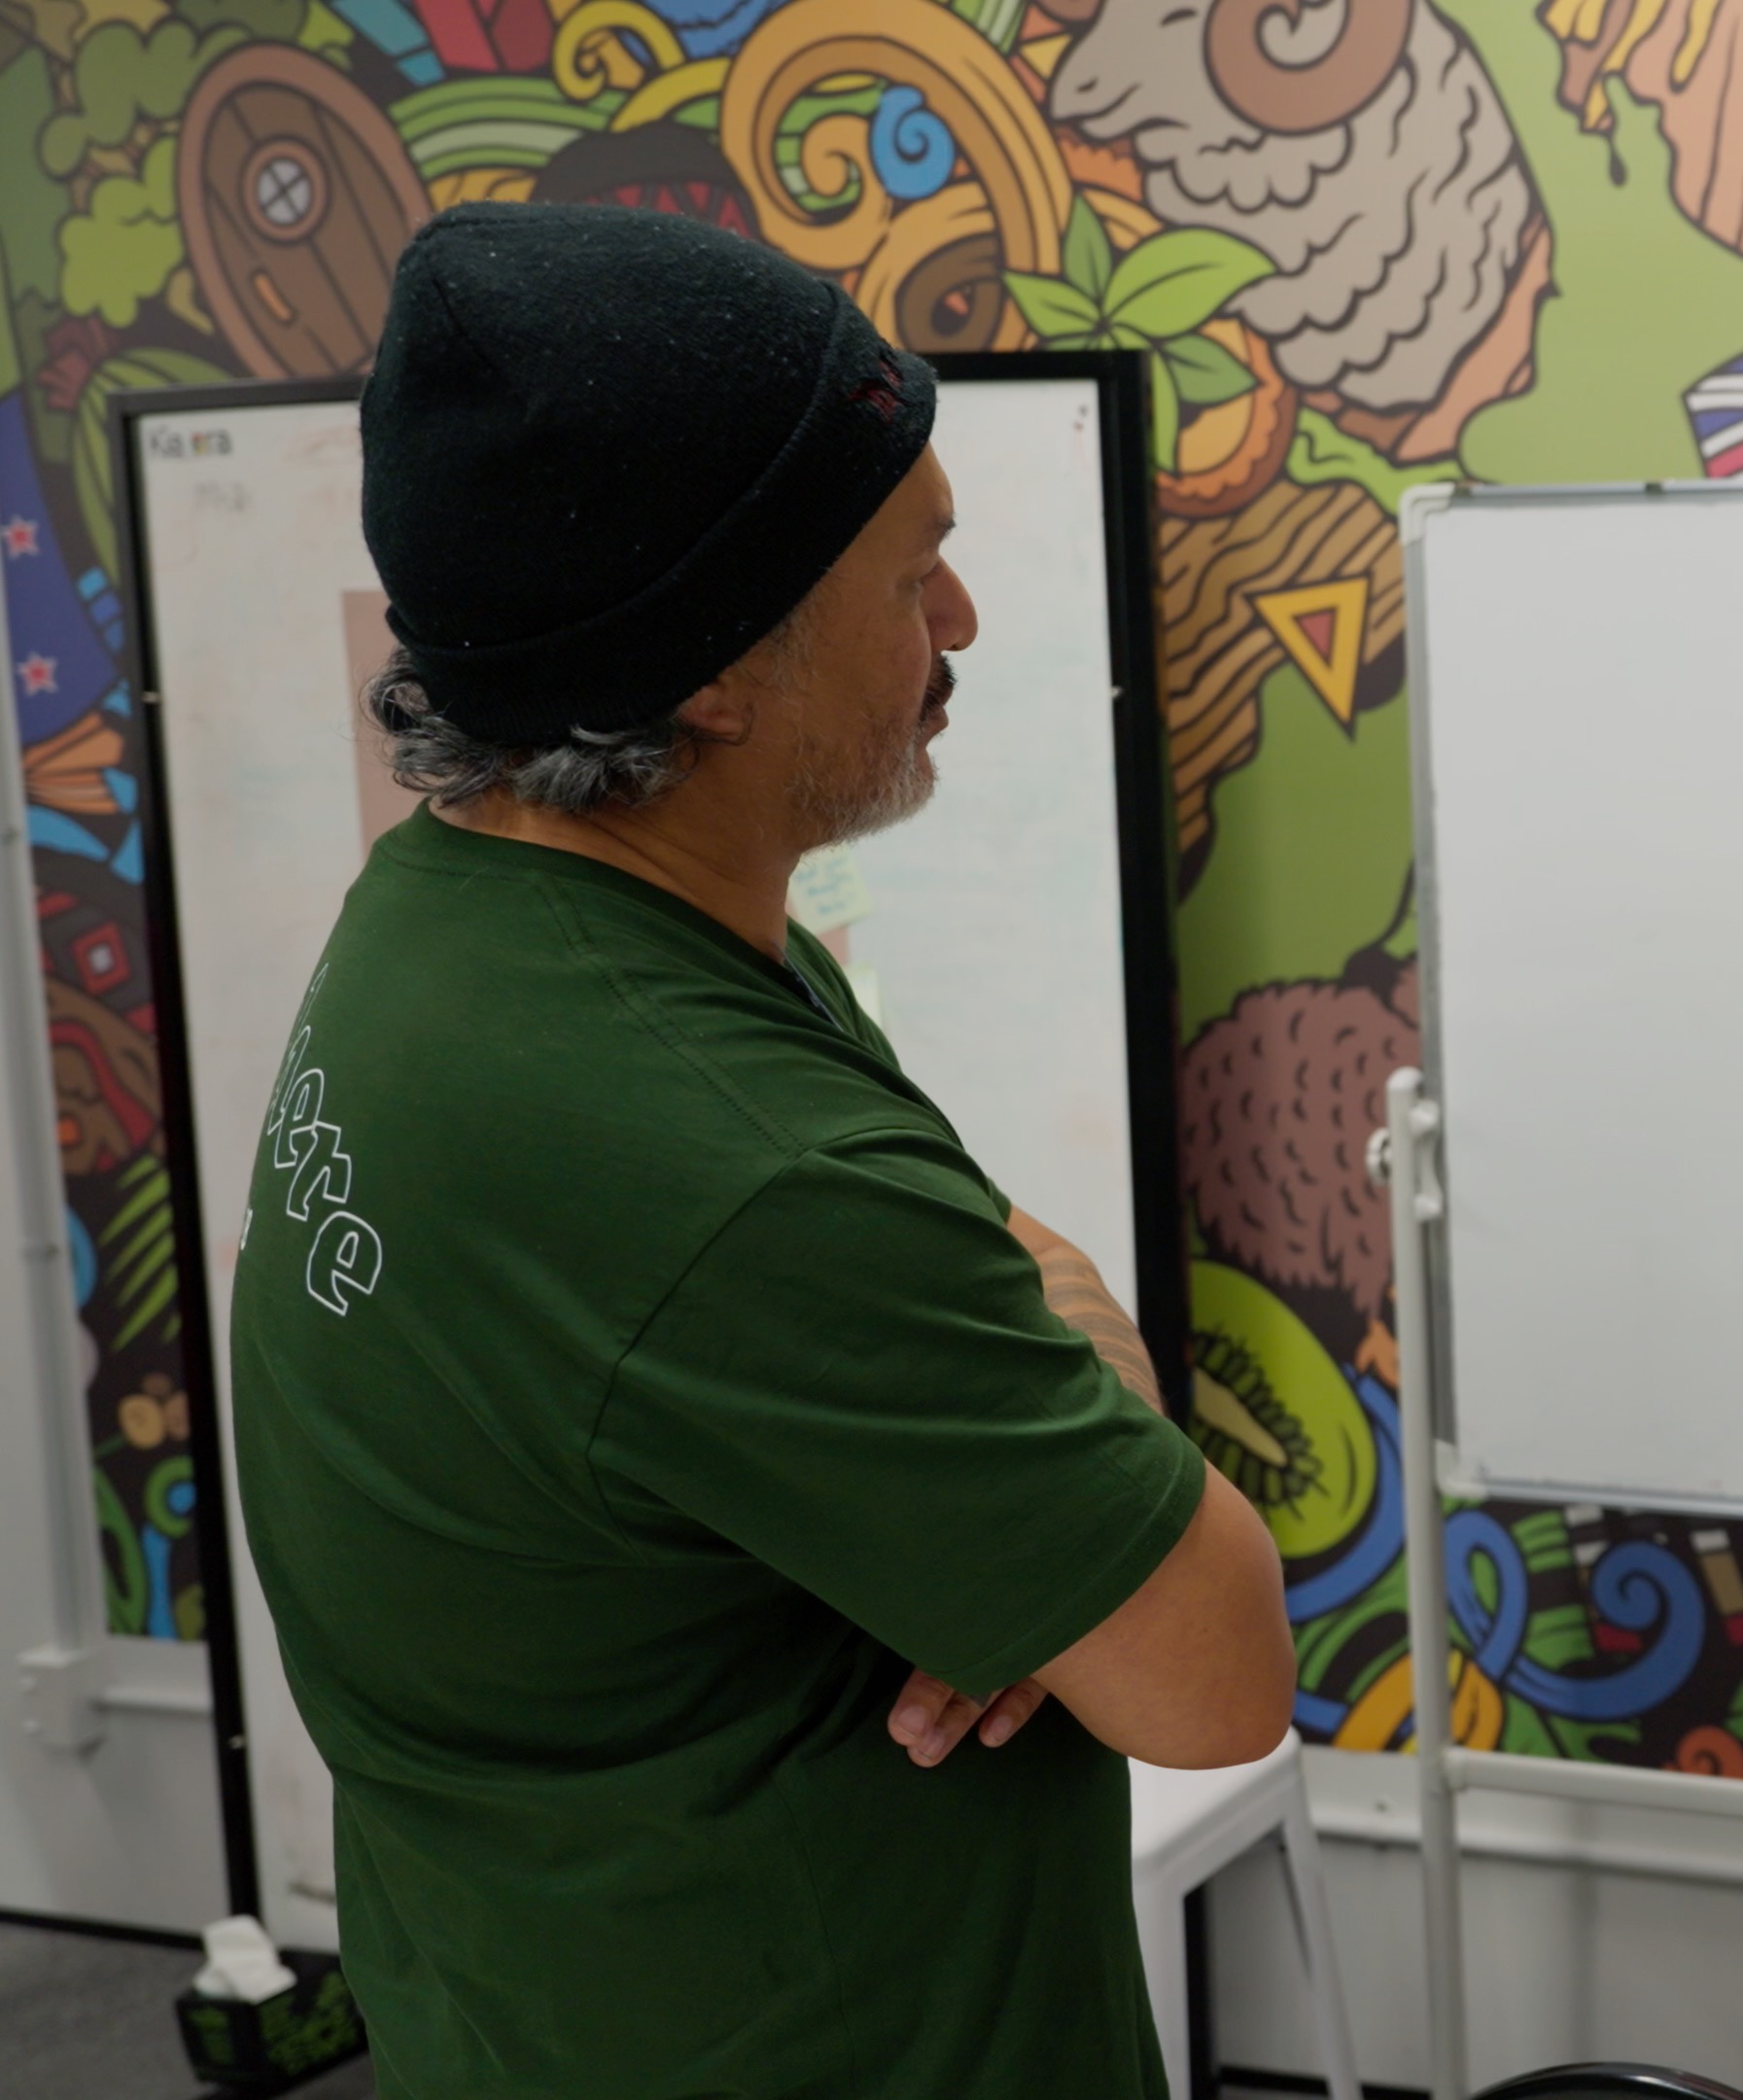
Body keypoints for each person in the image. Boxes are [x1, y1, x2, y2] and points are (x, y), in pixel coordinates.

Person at [227, 206, 1293, 2100]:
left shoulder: (472, 923)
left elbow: (969, 1241)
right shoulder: (724, 1159)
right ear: (712, 669)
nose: (960, 625)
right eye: (913, 575)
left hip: (539, 2000)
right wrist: (1062, 1504)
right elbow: (1214, 1676)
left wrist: (1029, 1486)